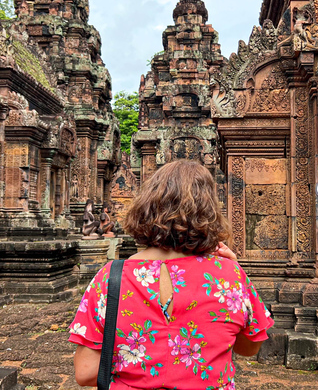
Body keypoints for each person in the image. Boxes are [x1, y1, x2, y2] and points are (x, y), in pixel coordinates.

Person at [69, 160, 273, 389]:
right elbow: (248, 348)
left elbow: (85, 372)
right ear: (209, 210)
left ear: (147, 206)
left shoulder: (110, 277)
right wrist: (234, 272)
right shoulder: (230, 276)